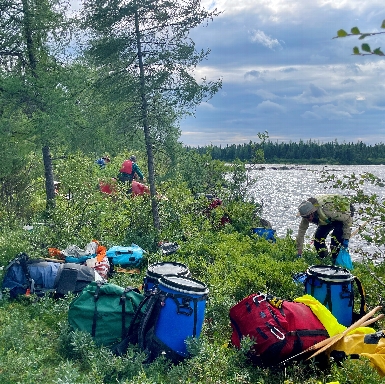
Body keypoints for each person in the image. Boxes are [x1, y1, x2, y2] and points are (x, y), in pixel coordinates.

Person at [296, 194, 354, 264]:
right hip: (327, 219)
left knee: (335, 241)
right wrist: (299, 250)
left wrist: (346, 238)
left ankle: (336, 262)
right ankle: (324, 259)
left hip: (343, 212)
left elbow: (347, 219)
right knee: (318, 239)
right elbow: (301, 232)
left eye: (308, 217)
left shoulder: (327, 210)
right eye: (305, 217)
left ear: (312, 212)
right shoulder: (306, 215)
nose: (307, 219)